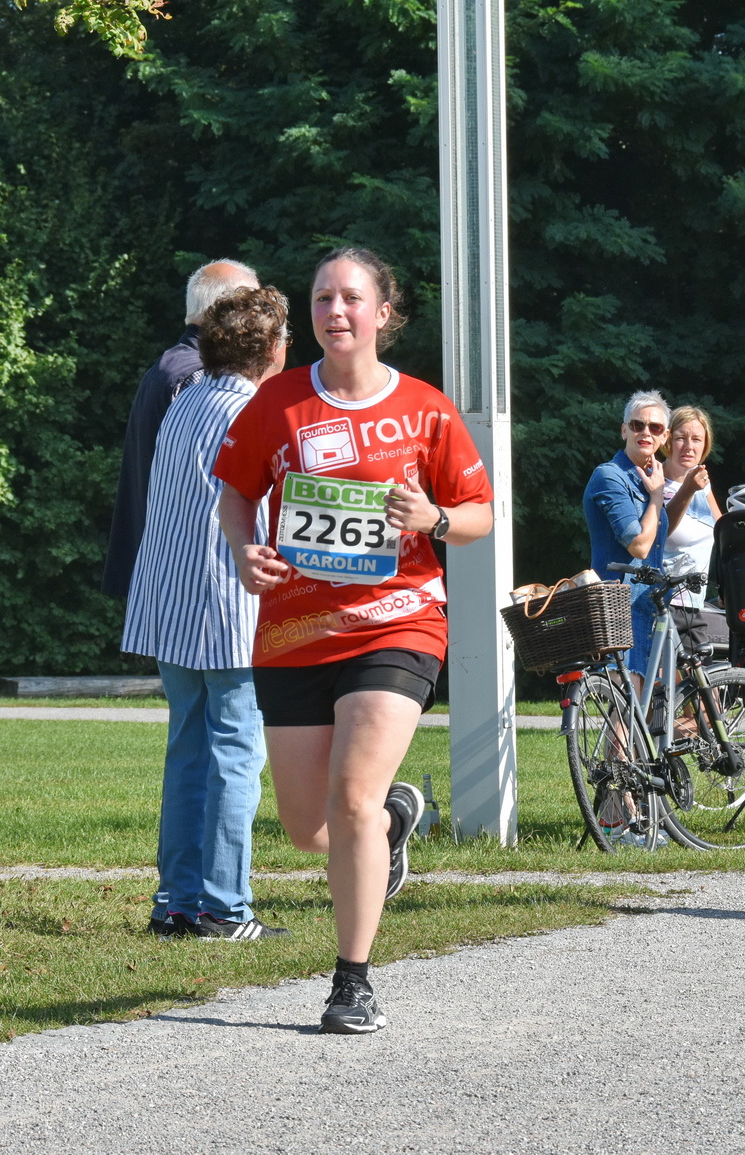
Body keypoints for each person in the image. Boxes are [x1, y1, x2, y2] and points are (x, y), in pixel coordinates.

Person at [215, 248, 494, 1033]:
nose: (334, 312)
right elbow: (236, 495)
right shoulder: (277, 404)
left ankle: (353, 980)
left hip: (399, 622)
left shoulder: (425, 409)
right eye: (321, 299)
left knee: (352, 793)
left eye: (350, 299)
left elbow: (479, 514)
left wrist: (433, 520)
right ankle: (394, 820)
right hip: (295, 632)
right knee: (311, 828)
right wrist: (246, 551)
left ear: (383, 313)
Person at [122, 287, 291, 941]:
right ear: (271, 349)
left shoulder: (186, 399)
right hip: (230, 606)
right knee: (235, 754)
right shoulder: (257, 413)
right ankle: (225, 905)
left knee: (189, 752)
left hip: (171, 601)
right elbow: (275, 517)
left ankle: (178, 901)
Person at [103, 260, 260, 598]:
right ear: (228, 310)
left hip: (160, 569)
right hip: (191, 578)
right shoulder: (201, 379)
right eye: (252, 305)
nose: (261, 319)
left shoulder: (171, 366)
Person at [583, 391, 672, 685]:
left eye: (655, 428)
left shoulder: (649, 480)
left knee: (645, 719)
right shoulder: (610, 477)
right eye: (637, 425)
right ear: (624, 430)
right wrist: (657, 497)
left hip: (649, 608)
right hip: (620, 610)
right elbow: (640, 544)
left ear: (664, 436)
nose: (646, 432)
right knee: (627, 719)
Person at [662, 405, 724, 652]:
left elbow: (723, 532)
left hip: (693, 602)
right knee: (685, 686)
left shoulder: (702, 483)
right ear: (667, 440)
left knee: (704, 686)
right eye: (681, 438)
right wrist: (688, 489)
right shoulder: (654, 481)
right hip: (664, 601)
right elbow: (658, 531)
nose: (689, 446)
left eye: (696, 439)